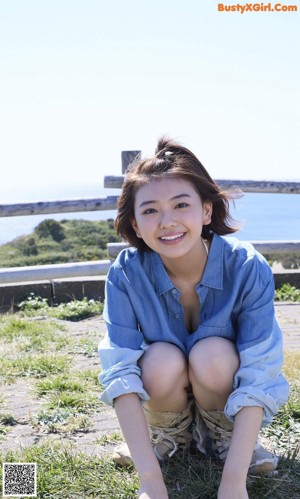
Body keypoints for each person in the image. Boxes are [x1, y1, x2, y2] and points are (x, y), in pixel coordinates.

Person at [98, 137, 289, 499]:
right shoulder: (125, 273)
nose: (167, 222)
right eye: (150, 210)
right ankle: (169, 435)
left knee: (212, 352)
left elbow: (260, 370)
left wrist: (232, 486)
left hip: (222, 385)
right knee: (160, 359)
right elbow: (119, 371)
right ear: (136, 225)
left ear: (205, 211)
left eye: (180, 205)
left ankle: (229, 439)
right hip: (164, 389)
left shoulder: (247, 267)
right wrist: (150, 484)